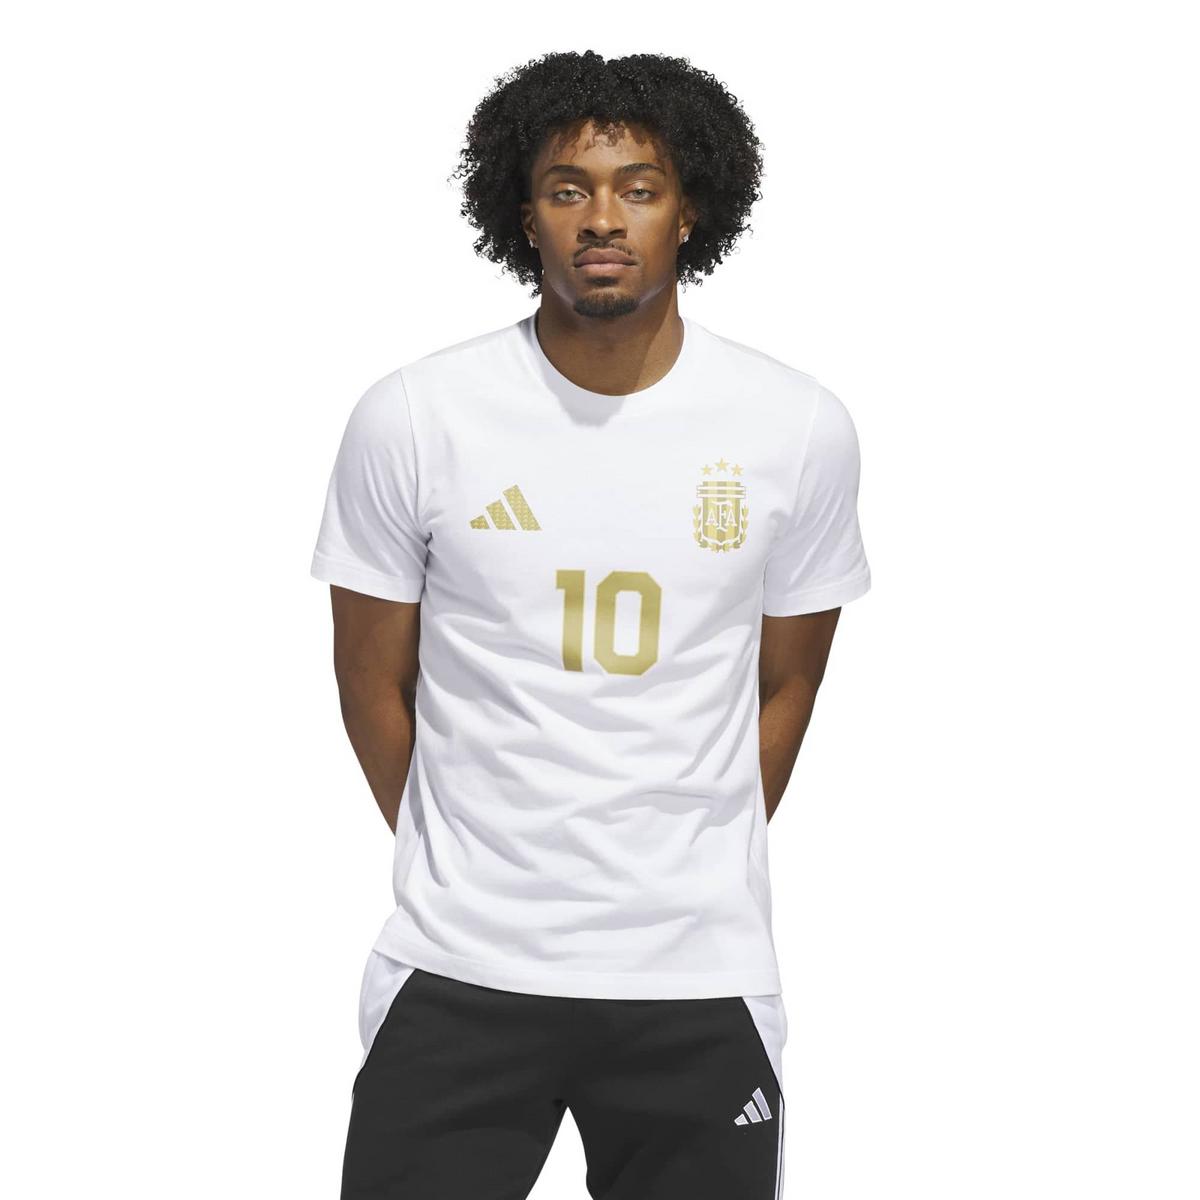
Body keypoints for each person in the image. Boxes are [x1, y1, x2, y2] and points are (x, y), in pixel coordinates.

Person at [310, 49, 871, 1200]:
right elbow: (371, 681)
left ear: (690, 209)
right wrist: (469, 853)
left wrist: (685, 847)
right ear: (524, 215)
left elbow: (789, 684)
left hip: (697, 972)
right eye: (568, 189)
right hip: (460, 965)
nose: (603, 218)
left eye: (639, 187)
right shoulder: (415, 417)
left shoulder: (796, 425)